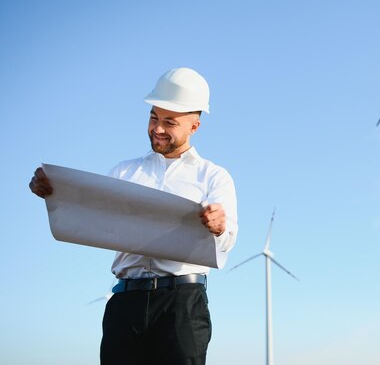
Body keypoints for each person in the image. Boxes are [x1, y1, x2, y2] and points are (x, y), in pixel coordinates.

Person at [29, 67, 238, 365]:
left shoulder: (214, 177)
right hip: (125, 303)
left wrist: (220, 225)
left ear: (194, 126)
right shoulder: (124, 172)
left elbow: (229, 236)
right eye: (154, 117)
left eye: (170, 122)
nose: (158, 128)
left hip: (181, 305)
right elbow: (91, 215)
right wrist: (53, 191)